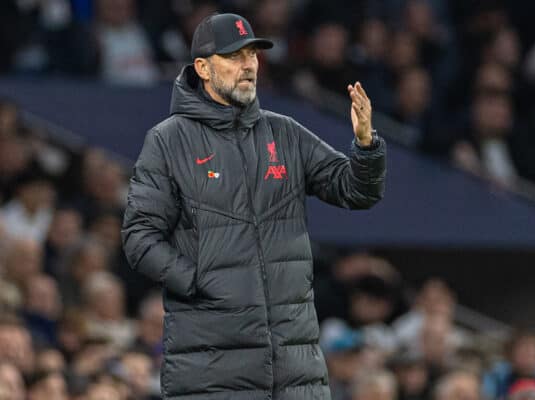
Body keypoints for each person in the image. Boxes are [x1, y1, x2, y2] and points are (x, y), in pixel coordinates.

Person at [121, 12, 386, 400]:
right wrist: (197, 280)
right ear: (203, 68)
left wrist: (365, 145)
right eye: (235, 57)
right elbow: (139, 237)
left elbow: (355, 191)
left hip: (295, 371)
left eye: (253, 55)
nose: (249, 65)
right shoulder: (168, 141)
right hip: (211, 371)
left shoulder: (285, 133)